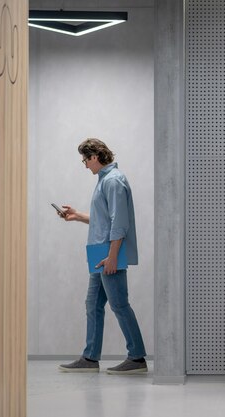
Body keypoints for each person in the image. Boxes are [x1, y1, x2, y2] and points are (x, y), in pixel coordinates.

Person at [57, 138, 147, 375]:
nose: (85, 165)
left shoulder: (114, 181)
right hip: (99, 251)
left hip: (108, 252)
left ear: (94, 157)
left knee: (119, 304)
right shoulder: (104, 181)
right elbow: (103, 219)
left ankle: (137, 357)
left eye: (85, 159)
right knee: (93, 305)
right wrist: (76, 215)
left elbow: (120, 223)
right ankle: (90, 358)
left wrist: (113, 256)